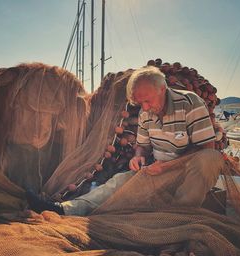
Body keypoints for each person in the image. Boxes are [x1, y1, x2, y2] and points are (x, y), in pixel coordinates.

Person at [26, 66, 223, 216]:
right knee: (117, 183)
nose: (145, 107)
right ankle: (65, 209)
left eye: (148, 100)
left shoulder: (190, 103)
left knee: (210, 158)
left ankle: (178, 217)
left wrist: (168, 166)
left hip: (187, 172)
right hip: (157, 171)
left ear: (163, 89)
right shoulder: (147, 112)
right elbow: (142, 147)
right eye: (140, 103)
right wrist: (137, 157)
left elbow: (206, 148)